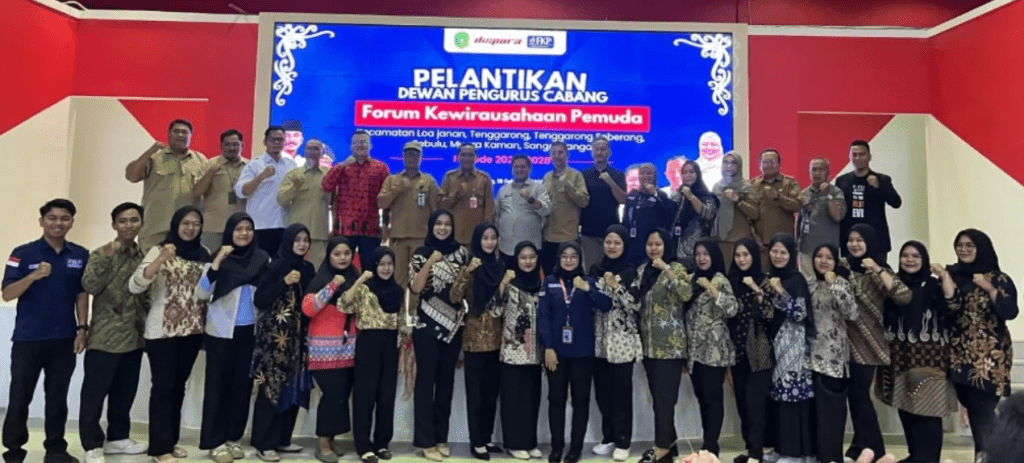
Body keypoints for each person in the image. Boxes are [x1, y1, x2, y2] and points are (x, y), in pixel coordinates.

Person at [2, 199, 89, 463]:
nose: (58, 223)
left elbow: (82, 294)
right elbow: (7, 293)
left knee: (57, 397)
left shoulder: (80, 255)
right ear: (42, 221)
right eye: (52, 218)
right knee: (20, 396)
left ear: (71, 222)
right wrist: (32, 277)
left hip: (64, 338)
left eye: (64, 218)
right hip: (28, 338)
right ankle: (14, 450)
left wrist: (82, 328)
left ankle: (56, 450)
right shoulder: (22, 253)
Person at [129, 206, 211, 463]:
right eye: (185, 223)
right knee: (163, 388)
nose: (190, 228)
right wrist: (160, 260)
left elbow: (205, 292)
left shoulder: (203, 253)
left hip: (192, 330)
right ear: (176, 224)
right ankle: (159, 448)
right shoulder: (159, 250)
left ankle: (170, 442)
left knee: (178, 388)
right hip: (162, 331)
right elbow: (135, 285)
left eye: (196, 224)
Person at [194, 212, 271, 463]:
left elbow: (266, 293)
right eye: (238, 229)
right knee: (217, 388)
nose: (244, 233)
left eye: (248, 228)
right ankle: (214, 442)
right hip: (221, 333)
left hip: (250, 332)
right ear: (230, 232)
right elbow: (201, 293)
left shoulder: (261, 258)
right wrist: (217, 262)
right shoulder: (218, 257)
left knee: (242, 388)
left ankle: (233, 439)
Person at [79, 203, 149, 463]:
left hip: (133, 335)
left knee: (125, 391)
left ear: (141, 223)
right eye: (123, 221)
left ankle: (118, 438)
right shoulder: (101, 253)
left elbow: (146, 294)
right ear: (114, 225)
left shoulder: (144, 256)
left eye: (134, 220)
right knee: (94, 394)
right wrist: (107, 258)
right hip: (104, 336)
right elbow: (89, 285)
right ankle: (92, 444)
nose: (129, 225)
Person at [875, 241, 956, 463]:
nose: (909, 260)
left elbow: (952, 306)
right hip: (900, 358)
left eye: (916, 256)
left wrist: (945, 276)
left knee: (928, 411)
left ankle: (928, 459)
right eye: (905, 255)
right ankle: (915, 456)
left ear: (924, 260)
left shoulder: (933, 285)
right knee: (906, 408)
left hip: (930, 361)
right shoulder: (894, 286)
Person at [942, 229, 1017, 459]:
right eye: (959, 245)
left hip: (988, 359)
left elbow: (1009, 311)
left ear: (981, 248)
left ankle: (992, 457)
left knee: (984, 413)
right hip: (959, 355)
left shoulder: (998, 279)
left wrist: (990, 289)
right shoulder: (953, 275)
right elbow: (949, 311)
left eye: (969, 245)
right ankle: (984, 456)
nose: (963, 249)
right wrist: (945, 280)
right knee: (976, 413)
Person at [839, 223, 911, 461]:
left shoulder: (879, 268)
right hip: (843, 342)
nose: (854, 244)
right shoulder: (842, 266)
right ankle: (860, 445)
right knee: (853, 396)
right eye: (851, 239)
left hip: (869, 342)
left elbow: (903, 295)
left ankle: (874, 447)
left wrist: (877, 269)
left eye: (859, 240)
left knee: (859, 395)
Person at [409, 209, 471, 461]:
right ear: (431, 226)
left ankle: (441, 437)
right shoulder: (420, 253)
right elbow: (415, 287)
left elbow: (466, 288)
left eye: (447, 224)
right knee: (426, 384)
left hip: (453, 329)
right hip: (425, 327)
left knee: (446, 383)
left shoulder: (462, 254)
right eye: (438, 224)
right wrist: (430, 262)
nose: (443, 228)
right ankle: (426, 441)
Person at [538, 242, 608, 463]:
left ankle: (575, 449)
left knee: (581, 401)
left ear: (580, 259)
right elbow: (543, 316)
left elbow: (606, 305)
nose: (569, 260)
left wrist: (589, 290)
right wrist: (548, 347)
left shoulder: (589, 281)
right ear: (558, 259)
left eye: (573, 256)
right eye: (564, 256)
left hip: (583, 353)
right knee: (556, 400)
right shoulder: (550, 282)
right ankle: (556, 447)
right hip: (556, 353)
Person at [250, 225, 315, 462]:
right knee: (271, 389)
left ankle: (282, 439)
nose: (302, 244)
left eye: (305, 240)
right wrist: (284, 282)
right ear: (288, 241)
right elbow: (261, 299)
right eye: (297, 240)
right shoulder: (275, 266)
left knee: (293, 387)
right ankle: (263, 442)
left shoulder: (308, 268)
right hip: (274, 341)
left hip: (298, 340)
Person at [338, 247, 404, 463]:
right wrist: (359, 280)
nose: (386, 268)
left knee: (386, 397)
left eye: (389, 264)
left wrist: (403, 354)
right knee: (364, 397)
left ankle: (382, 443)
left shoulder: (398, 291)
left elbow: (403, 323)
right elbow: (343, 304)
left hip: (390, 346)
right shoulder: (365, 290)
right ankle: (364, 446)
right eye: (381, 264)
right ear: (374, 266)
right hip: (368, 345)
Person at [634, 228, 692, 463]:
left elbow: (686, 293)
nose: (654, 248)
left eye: (658, 244)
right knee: (658, 399)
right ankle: (670, 443)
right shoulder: (642, 271)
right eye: (650, 244)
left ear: (666, 246)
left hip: (670, 347)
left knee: (666, 399)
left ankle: (661, 449)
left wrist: (666, 269)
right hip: (648, 346)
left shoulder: (676, 268)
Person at [301, 236, 360, 463]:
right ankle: (323, 445)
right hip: (323, 351)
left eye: (346, 253)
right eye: (337, 254)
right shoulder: (322, 279)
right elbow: (308, 309)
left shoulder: (355, 278)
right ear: (329, 256)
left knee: (341, 397)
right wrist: (333, 285)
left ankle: (332, 441)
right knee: (332, 395)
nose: (342, 258)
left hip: (348, 350)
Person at [450, 223, 505, 460]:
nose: (490, 242)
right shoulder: (470, 266)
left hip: (498, 339)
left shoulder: (501, 268)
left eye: (493, 238)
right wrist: (467, 272)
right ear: (477, 241)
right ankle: (476, 442)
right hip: (474, 339)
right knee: (476, 395)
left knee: (492, 394)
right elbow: (454, 296)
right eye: (485, 238)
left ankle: (487, 437)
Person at [485, 241, 544, 461]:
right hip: (512, 353)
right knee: (512, 401)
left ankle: (530, 442)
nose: (528, 262)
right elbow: (493, 311)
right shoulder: (509, 285)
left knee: (532, 400)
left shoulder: (541, 286)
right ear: (516, 260)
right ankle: (513, 444)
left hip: (534, 354)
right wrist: (502, 283)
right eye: (523, 257)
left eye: (531, 257)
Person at [590, 225, 640, 462]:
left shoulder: (630, 272)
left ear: (624, 245)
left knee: (621, 394)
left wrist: (617, 287)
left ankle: (623, 440)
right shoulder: (595, 269)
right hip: (599, 341)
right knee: (603, 392)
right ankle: (608, 437)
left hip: (622, 341)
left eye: (617, 243)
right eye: (608, 242)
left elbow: (634, 305)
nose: (611, 246)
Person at [685, 239, 738, 457]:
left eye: (706, 254)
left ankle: (711, 444)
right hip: (693, 350)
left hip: (714, 350)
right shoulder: (690, 279)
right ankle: (707, 441)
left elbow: (732, 309)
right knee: (701, 397)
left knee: (713, 399)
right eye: (698, 254)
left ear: (714, 256)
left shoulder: (720, 280)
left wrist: (713, 291)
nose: (701, 258)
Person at [764, 234, 814, 463]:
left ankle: (794, 454)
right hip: (776, 347)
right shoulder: (772, 277)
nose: (778, 256)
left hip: (793, 351)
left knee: (792, 401)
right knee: (779, 401)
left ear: (791, 254)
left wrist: (780, 291)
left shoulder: (796, 280)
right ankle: (781, 448)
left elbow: (800, 313)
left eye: (783, 252)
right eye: (774, 251)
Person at [805, 244, 857, 463]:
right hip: (809, 360)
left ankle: (831, 458)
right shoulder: (808, 284)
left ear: (835, 262)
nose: (823, 261)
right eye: (819, 256)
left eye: (829, 257)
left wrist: (833, 284)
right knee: (812, 416)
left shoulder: (841, 283)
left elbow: (852, 312)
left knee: (831, 417)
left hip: (833, 360)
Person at [126, 119, 208, 250]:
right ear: (169, 135)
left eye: (184, 132)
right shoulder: (155, 156)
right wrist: (150, 151)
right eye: (176, 131)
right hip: (155, 228)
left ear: (190, 136)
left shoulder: (201, 160)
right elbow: (132, 176)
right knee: (150, 263)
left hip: (188, 230)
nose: (180, 135)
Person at [725, 238, 772, 463]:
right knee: (742, 402)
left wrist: (757, 290)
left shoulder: (764, 282)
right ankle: (749, 446)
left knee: (756, 403)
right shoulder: (730, 282)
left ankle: (757, 451)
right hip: (737, 351)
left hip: (760, 352)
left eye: (746, 255)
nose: (742, 260)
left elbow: (770, 314)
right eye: (738, 255)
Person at [322, 130, 390, 269]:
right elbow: (326, 186)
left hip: (371, 228)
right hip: (345, 228)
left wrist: (385, 224)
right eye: (356, 142)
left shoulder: (380, 168)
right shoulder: (342, 167)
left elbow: (387, 198)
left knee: (370, 269)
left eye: (363, 142)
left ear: (370, 145)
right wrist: (341, 166)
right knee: (341, 268)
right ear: (351, 146)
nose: (360, 145)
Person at [378, 141, 439, 293]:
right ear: (403, 157)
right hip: (398, 238)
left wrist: (435, 237)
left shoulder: (429, 181)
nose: (412, 157)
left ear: (420, 157)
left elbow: (435, 211)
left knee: (419, 279)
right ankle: (398, 308)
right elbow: (381, 203)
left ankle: (415, 308)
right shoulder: (392, 180)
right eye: (409, 154)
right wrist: (397, 190)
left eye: (415, 154)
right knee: (398, 279)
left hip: (421, 238)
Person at [236, 126, 298, 256]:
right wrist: (262, 176)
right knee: (259, 263)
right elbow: (241, 192)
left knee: (280, 264)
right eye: (272, 139)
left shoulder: (291, 164)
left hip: (284, 224)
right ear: (265, 142)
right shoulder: (254, 164)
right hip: (260, 226)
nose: (276, 142)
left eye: (280, 140)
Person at [836, 140, 902, 259]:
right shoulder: (842, 181)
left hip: (876, 241)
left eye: (862, 154)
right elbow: (839, 210)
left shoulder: (882, 179)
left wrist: (879, 187)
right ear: (849, 157)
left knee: (877, 271)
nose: (858, 158)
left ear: (869, 156)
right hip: (850, 242)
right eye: (854, 155)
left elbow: (896, 202)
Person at [193, 129, 248, 251]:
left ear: (242, 145)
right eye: (227, 144)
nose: (231, 148)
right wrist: (210, 173)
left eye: (235, 144)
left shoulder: (249, 166)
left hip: (240, 228)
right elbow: (197, 192)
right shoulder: (210, 165)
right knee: (211, 260)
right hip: (213, 226)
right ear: (221, 146)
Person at [277, 139, 330, 264]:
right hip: (297, 232)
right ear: (304, 152)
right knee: (292, 267)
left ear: (322, 153)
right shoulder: (293, 175)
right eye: (309, 148)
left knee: (318, 269)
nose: (312, 152)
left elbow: (336, 201)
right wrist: (294, 187)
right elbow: (281, 200)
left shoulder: (329, 175)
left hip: (319, 231)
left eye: (316, 149)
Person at [542, 141, 590, 274]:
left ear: (567, 155)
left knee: (568, 275)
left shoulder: (576, 175)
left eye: (560, 152)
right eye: (554, 153)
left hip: (568, 237)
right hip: (548, 236)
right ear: (550, 156)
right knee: (550, 276)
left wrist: (568, 185)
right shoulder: (547, 177)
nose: (557, 156)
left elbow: (584, 202)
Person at [495, 155, 551, 268]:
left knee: (529, 278)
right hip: (506, 248)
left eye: (522, 167)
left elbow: (546, 210)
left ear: (529, 168)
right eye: (516, 167)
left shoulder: (538, 188)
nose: (519, 169)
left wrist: (531, 199)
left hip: (530, 249)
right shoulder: (503, 189)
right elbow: (497, 216)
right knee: (506, 278)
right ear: (512, 169)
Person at [579, 137, 627, 269]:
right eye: (596, 149)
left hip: (611, 231)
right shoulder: (583, 175)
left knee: (611, 271)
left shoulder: (618, 175)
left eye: (603, 149)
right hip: (589, 232)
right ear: (592, 152)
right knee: (591, 271)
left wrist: (611, 182)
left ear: (608, 152)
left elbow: (622, 200)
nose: (599, 152)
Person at [750, 149, 801, 270]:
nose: (769, 165)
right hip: (762, 243)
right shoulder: (753, 185)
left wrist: (779, 197)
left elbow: (798, 206)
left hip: (785, 243)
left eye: (772, 162)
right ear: (759, 165)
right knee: (762, 275)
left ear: (779, 164)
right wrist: (753, 235)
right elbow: (748, 214)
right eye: (765, 162)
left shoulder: (790, 183)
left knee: (786, 275)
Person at [438, 143, 495, 246]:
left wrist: (487, 233)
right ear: (458, 157)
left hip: (476, 237)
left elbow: (489, 210)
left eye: (470, 155)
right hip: (453, 236)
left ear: (476, 158)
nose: (467, 158)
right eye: (463, 155)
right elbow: (441, 206)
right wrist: (455, 195)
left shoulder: (484, 179)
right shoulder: (449, 177)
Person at [797, 158, 846, 278]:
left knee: (828, 282)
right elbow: (800, 221)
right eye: (814, 170)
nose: (817, 173)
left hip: (827, 251)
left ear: (828, 172)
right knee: (808, 283)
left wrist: (828, 195)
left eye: (821, 169)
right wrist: (797, 243)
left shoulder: (836, 192)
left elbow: (837, 216)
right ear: (809, 172)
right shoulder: (804, 193)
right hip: (806, 249)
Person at [623, 164, 677, 266]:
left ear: (655, 176)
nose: (645, 176)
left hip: (651, 246)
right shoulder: (632, 195)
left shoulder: (661, 195)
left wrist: (655, 194)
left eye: (649, 173)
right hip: (632, 245)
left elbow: (672, 210)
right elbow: (626, 219)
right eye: (642, 173)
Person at [712, 152, 758, 271]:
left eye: (733, 163)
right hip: (720, 238)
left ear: (739, 165)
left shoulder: (746, 187)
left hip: (740, 238)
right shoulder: (717, 186)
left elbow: (754, 213)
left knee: (741, 272)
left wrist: (737, 200)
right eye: (726, 162)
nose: (729, 166)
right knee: (723, 273)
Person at [670, 161, 719, 269]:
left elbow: (709, 214)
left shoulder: (706, 195)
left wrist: (691, 197)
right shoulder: (677, 195)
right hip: (676, 249)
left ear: (698, 174)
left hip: (697, 251)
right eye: (685, 172)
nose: (688, 175)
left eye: (691, 172)